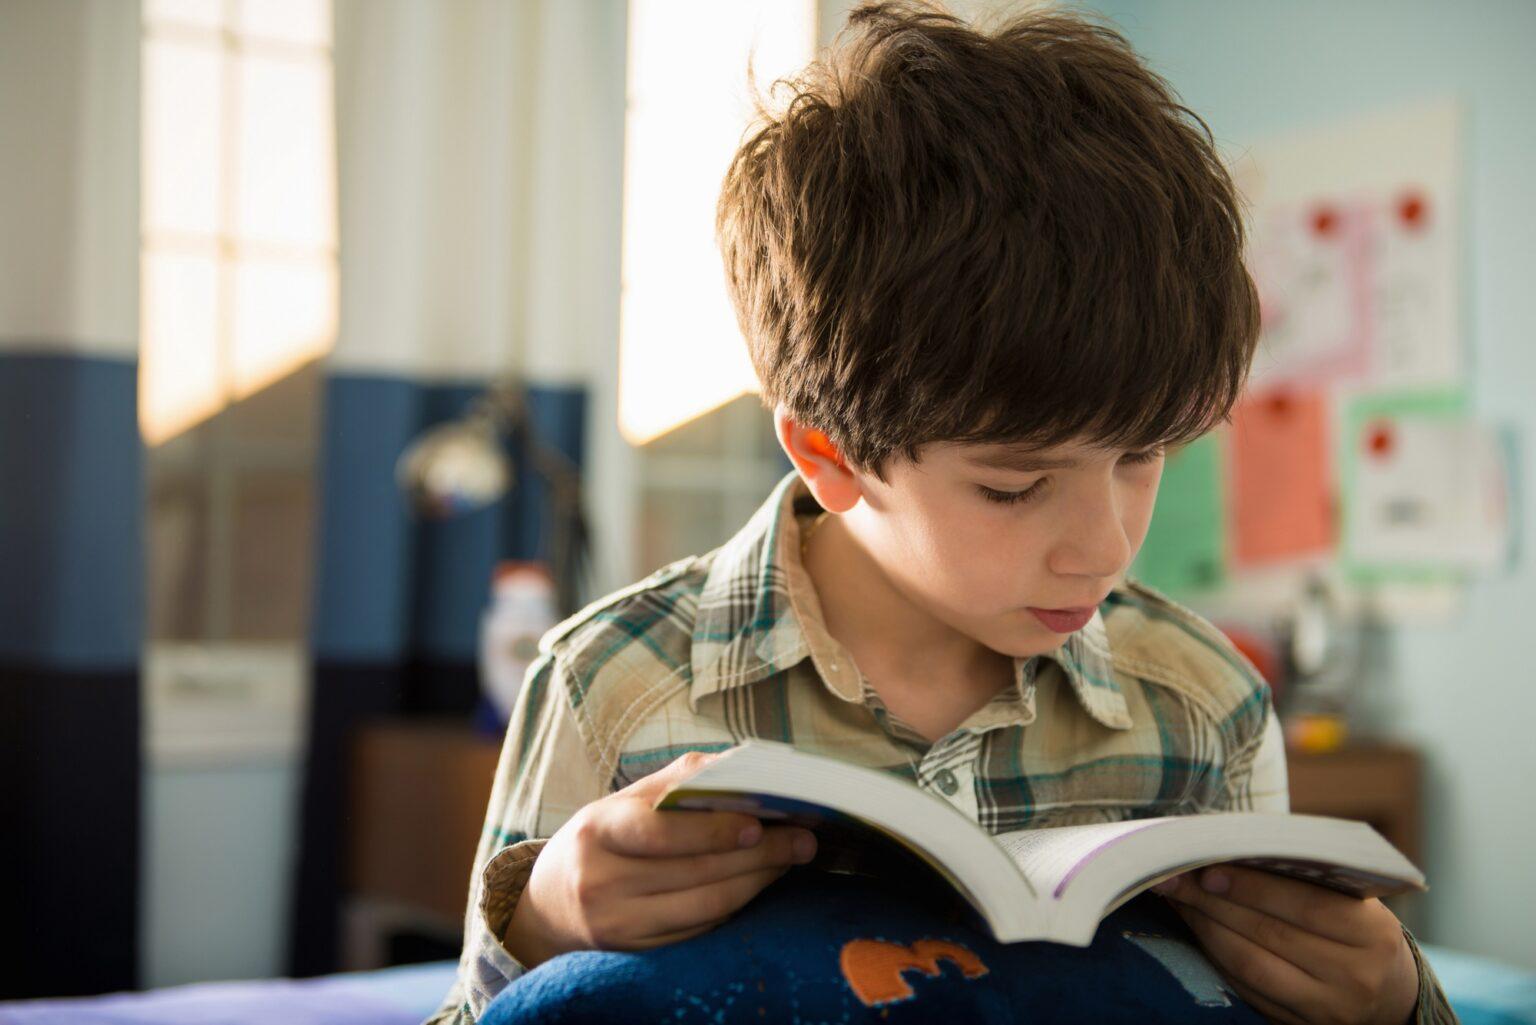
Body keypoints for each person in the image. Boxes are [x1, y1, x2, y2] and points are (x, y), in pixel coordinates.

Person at [427, 3, 1455, 1022]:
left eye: (1145, 456)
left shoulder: (1204, 705)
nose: (1104, 546)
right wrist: (550, 922)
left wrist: (1392, 1000)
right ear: (830, 453)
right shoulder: (613, 685)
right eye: (1014, 486)